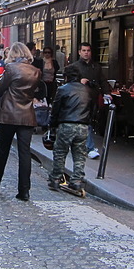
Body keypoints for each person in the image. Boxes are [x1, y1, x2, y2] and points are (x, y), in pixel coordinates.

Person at [0, 42, 42, 202]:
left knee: (3, 150)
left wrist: (2, 80)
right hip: (27, 115)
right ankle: (24, 190)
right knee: (24, 153)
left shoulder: (11, 69)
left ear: (13, 54)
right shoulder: (36, 71)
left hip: (9, 114)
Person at [47, 64, 93, 195]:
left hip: (66, 124)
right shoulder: (87, 90)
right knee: (79, 155)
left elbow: (55, 109)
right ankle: (77, 181)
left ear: (66, 76)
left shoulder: (63, 89)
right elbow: (91, 108)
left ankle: (56, 178)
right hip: (83, 125)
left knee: (60, 152)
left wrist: (52, 125)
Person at [67, 42, 112, 160]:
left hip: (93, 97)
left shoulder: (96, 67)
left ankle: (82, 145)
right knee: (86, 122)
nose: (86, 53)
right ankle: (89, 147)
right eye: (84, 50)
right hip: (80, 98)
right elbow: (68, 83)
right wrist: (79, 82)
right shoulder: (74, 67)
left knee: (88, 122)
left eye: (88, 50)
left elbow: (102, 81)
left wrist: (107, 93)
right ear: (79, 52)